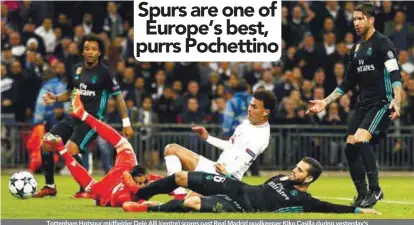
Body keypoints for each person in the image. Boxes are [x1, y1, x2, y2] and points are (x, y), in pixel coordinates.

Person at [306, 2, 402, 208]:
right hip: (363, 104)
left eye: (360, 19)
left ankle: (376, 190)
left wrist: (397, 99)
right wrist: (325, 101)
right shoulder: (356, 48)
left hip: (381, 103)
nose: (356, 23)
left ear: (371, 20)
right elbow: (347, 82)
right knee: (350, 147)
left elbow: (395, 74)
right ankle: (362, 193)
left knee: (359, 140)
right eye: (355, 19)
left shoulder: (383, 43)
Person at [35, 34, 134, 198]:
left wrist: (126, 123)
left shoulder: (105, 73)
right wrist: (56, 98)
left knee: (71, 150)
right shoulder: (76, 69)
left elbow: (118, 97)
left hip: (92, 121)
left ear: (100, 53)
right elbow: (70, 92)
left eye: (94, 49)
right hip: (73, 117)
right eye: (87, 49)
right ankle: (50, 186)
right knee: (46, 143)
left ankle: (87, 189)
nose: (90, 52)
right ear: (82, 51)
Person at [40, 90, 176, 207]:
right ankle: (82, 113)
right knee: (122, 143)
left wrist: (61, 149)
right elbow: (134, 204)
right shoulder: (127, 194)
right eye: (140, 182)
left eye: (144, 182)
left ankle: (70, 131)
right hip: (123, 172)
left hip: (111, 185)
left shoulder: (117, 193)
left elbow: (154, 186)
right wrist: (175, 191)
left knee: (90, 187)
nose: (143, 185)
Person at [120, 157, 379, 214]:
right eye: (296, 166)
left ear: (308, 179)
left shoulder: (304, 201)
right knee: (181, 177)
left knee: (191, 202)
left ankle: (149, 209)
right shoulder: (280, 177)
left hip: (239, 205)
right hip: (236, 188)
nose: (294, 170)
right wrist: (228, 176)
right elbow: (258, 188)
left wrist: (358, 211)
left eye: (299, 170)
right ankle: (138, 192)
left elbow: (329, 207)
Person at [163, 89, 276, 195]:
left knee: (189, 202)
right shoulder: (246, 123)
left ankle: (179, 192)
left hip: (227, 180)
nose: (249, 109)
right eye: (250, 104)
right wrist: (208, 138)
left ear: (266, 111)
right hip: (214, 168)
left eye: (254, 107)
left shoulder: (262, 136)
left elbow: (244, 160)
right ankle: (177, 191)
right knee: (171, 149)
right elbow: (230, 146)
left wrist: (226, 172)